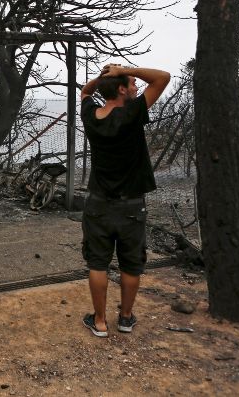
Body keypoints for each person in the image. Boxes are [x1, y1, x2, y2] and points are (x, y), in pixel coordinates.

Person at [79, 63, 170, 337]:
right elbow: (163, 78)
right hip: (131, 204)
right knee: (131, 264)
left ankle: (100, 322)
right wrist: (123, 68)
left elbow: (85, 92)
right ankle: (126, 318)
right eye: (131, 84)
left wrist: (102, 77)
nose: (136, 87)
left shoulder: (91, 116)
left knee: (97, 263)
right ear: (121, 89)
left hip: (97, 203)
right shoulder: (132, 113)